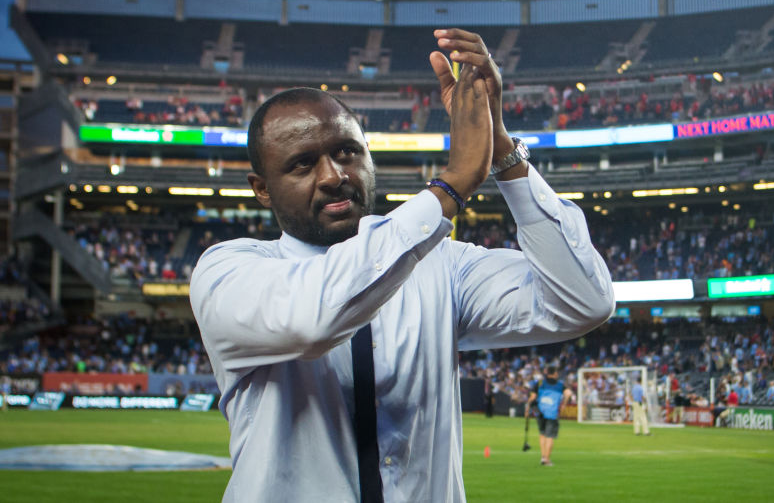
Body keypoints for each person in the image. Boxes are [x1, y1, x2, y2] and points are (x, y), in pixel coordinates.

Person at [190, 28, 615, 503]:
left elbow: (583, 301)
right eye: (303, 164)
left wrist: (501, 151)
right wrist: (451, 186)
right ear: (262, 188)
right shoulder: (227, 272)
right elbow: (313, 319)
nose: (334, 176)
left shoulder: (441, 265)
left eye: (347, 152)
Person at [528, 365, 573, 466]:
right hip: (552, 413)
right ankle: (547, 460)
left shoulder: (539, 383)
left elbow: (532, 397)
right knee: (550, 436)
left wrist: (527, 409)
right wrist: (564, 404)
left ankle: (543, 457)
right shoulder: (560, 385)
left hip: (540, 411)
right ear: (555, 373)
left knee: (542, 434)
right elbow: (568, 393)